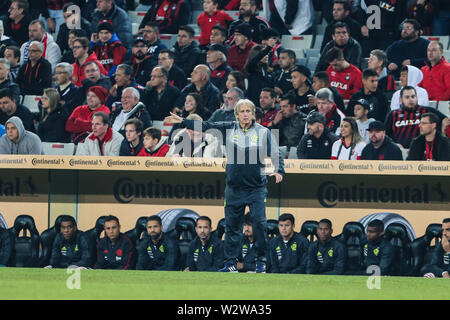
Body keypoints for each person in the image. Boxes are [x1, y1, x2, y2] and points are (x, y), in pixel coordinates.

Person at [165, 99, 285, 273]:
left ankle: (261, 261)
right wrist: (184, 122)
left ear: (253, 114)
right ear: (237, 115)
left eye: (248, 111)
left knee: (259, 225)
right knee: (232, 227)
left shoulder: (264, 132)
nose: (245, 114)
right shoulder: (229, 128)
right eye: (241, 111)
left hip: (256, 189)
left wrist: (280, 171)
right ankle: (231, 263)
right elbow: (207, 125)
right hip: (234, 188)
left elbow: (276, 153)